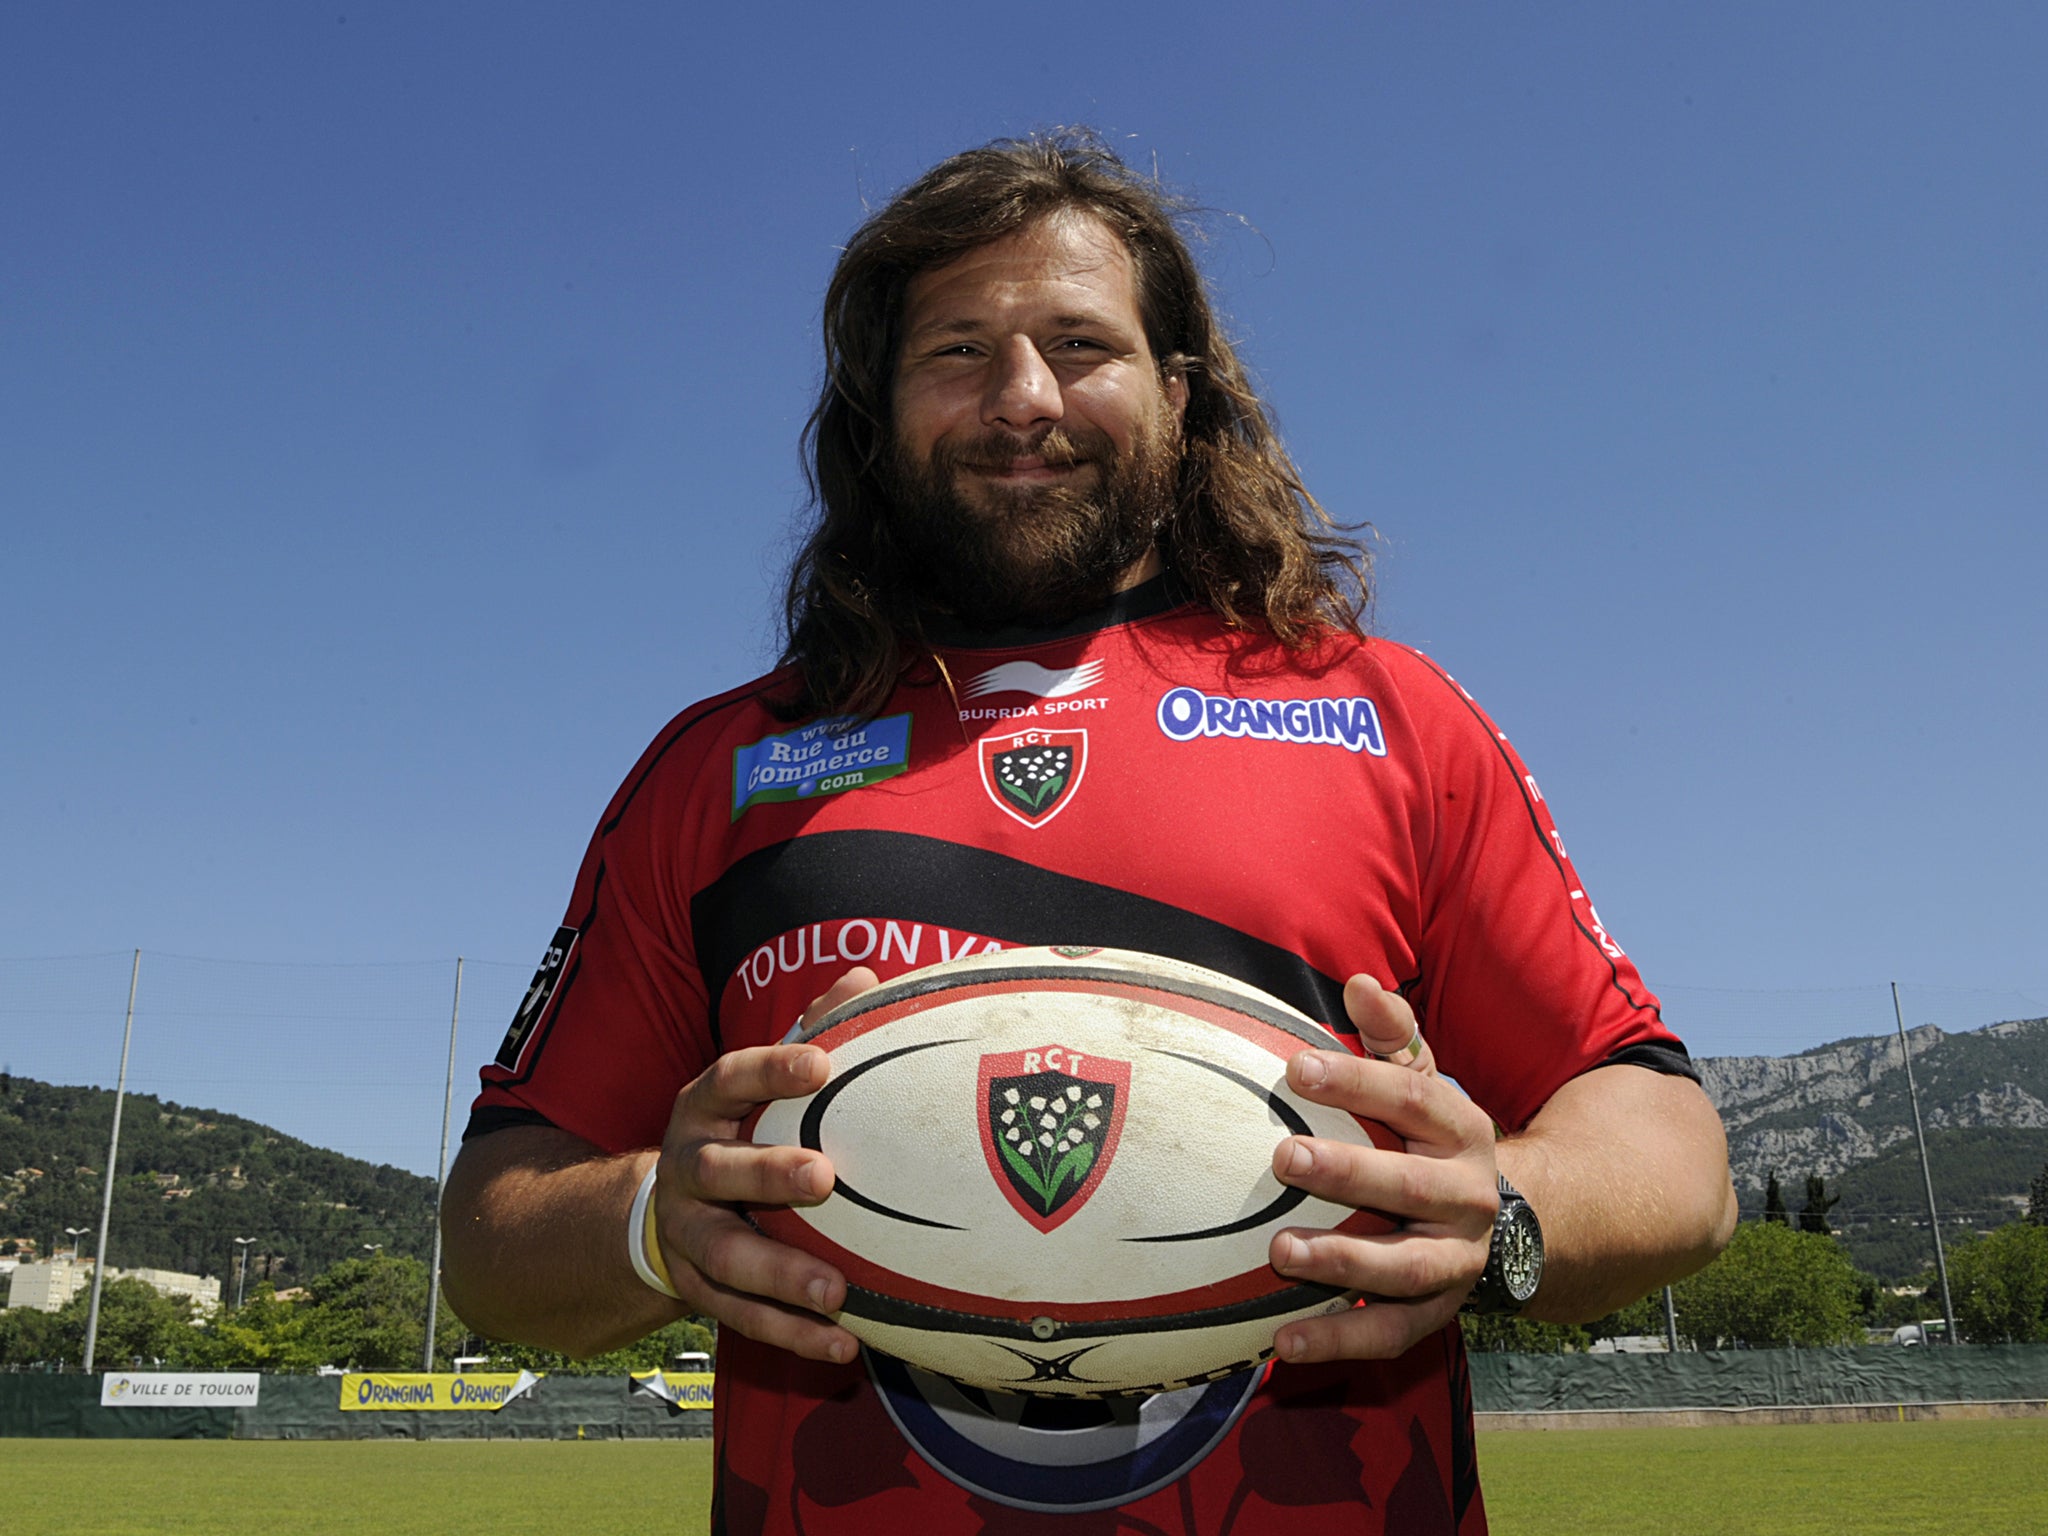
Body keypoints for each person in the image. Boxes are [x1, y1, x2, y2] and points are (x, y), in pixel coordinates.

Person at [441, 130, 1735, 1534]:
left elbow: (1675, 1154)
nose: (1021, 397)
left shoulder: (1384, 716)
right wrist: (653, 1216)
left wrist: (1506, 1217)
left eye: (1079, 343)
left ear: (1177, 395)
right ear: (876, 416)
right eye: (955, 352)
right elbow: (494, 1230)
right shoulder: (724, 767)